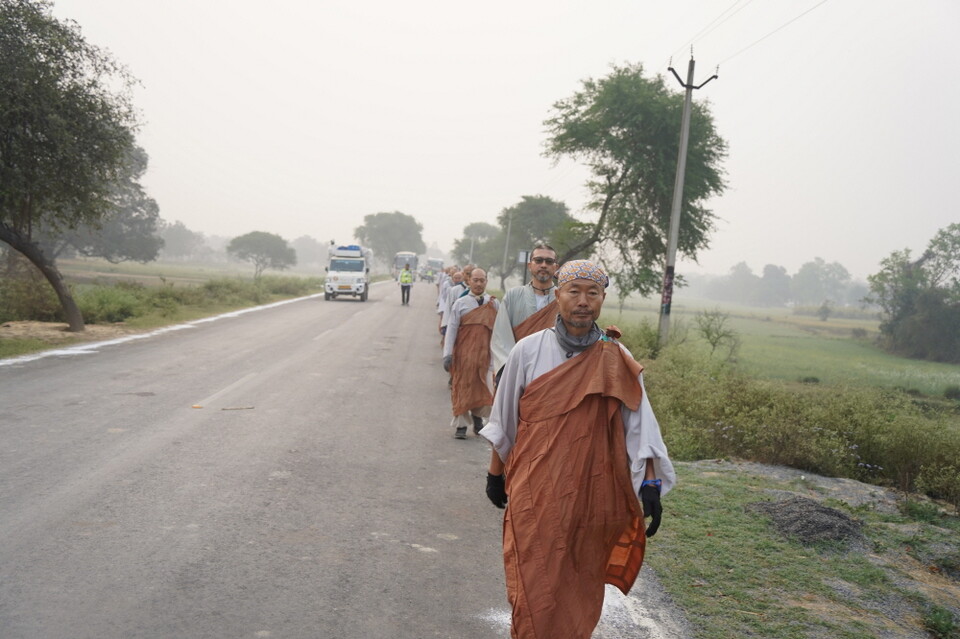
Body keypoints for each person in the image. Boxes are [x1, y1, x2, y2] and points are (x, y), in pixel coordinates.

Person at [479, 259, 675, 639]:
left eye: (592, 293)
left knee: (580, 581)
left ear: (603, 299)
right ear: (558, 297)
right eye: (574, 291)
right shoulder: (527, 351)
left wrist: (650, 486)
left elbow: (640, 426)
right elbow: (503, 423)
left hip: (592, 493)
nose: (583, 301)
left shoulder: (616, 357)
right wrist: (494, 475)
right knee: (534, 579)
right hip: (535, 490)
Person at [442, 268, 499, 439]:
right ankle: (461, 426)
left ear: (486, 281)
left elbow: (498, 331)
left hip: (485, 356)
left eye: (482, 280)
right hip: (463, 355)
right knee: (462, 387)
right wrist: (447, 354)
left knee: (484, 389)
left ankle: (478, 418)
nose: (479, 283)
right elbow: (452, 329)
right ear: (469, 282)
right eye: (475, 280)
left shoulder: (494, 303)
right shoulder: (461, 303)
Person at [490, 244, 561, 374]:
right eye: (538, 260)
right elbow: (501, 336)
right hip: (516, 369)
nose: (544, 265)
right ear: (530, 265)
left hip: (553, 371)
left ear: (556, 268)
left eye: (549, 261)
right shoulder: (513, 295)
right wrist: (507, 369)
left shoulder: (563, 298)